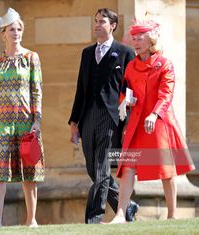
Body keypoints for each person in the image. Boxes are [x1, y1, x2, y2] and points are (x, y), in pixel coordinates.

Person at [109, 19, 195, 224]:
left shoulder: (165, 64)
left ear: (151, 40)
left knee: (166, 168)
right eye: (134, 38)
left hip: (159, 121)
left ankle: (172, 215)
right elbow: (125, 90)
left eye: (140, 38)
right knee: (128, 166)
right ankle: (120, 214)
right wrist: (125, 103)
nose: (136, 42)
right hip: (137, 121)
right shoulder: (130, 66)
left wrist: (154, 114)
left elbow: (166, 95)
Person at [68, 8, 139, 224]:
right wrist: (74, 122)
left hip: (111, 116)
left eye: (102, 22)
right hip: (88, 114)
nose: (97, 25)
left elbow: (130, 88)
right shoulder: (87, 53)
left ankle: (94, 218)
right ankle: (127, 206)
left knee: (101, 166)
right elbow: (81, 87)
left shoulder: (125, 52)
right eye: (95, 21)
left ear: (113, 26)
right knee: (93, 168)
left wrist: (126, 117)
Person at [0, 8, 44, 228]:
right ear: (3, 34)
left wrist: (37, 120)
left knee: (29, 172)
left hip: (26, 120)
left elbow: (37, 91)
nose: (16, 33)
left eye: (19, 29)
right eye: (11, 29)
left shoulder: (31, 57)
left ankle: (31, 220)